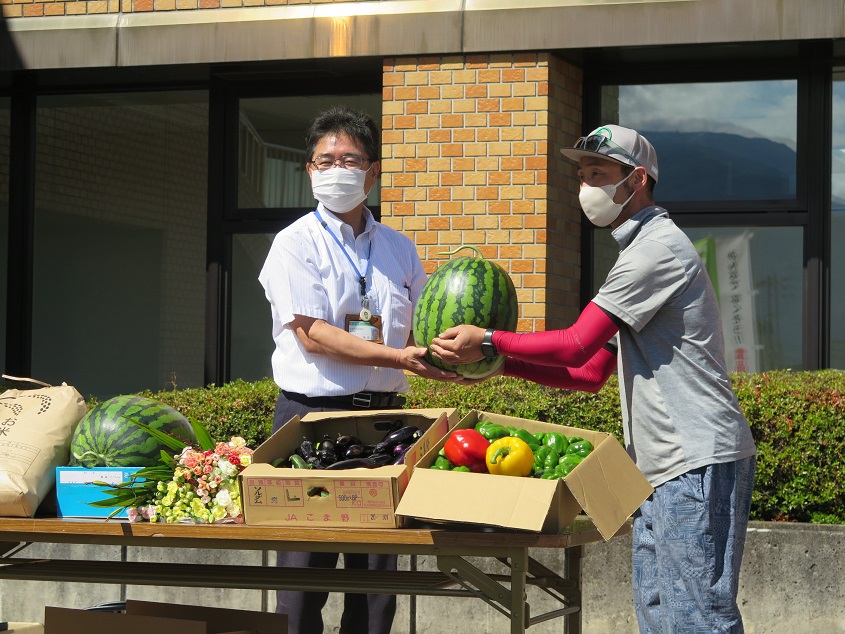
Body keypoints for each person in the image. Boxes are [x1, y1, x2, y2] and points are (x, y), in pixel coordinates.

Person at [430, 124, 757, 633]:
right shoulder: (636, 254)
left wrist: (491, 341)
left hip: (695, 457)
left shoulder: (656, 251)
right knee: (657, 611)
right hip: (661, 464)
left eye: (599, 173)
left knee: (696, 616)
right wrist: (496, 365)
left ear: (637, 180)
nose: (586, 187)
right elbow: (588, 374)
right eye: (582, 175)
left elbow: (576, 342)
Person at [258, 105, 456, 634]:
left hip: (385, 424)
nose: (336, 170)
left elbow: (414, 337)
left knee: (376, 585)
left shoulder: (398, 247)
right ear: (309, 170)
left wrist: (457, 363)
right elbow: (312, 334)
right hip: (310, 423)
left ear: (372, 171)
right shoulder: (294, 243)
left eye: (349, 159)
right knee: (304, 578)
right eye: (324, 161)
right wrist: (397, 357)